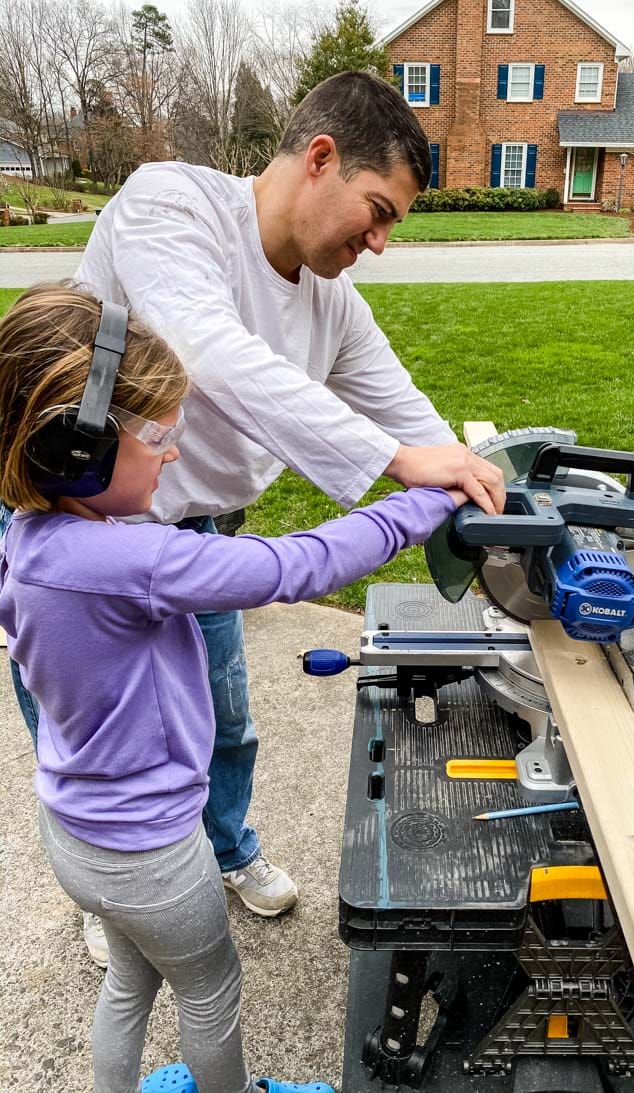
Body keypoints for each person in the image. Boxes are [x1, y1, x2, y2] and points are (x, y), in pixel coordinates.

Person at [43, 69, 504, 961]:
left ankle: (224, 848)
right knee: (91, 733)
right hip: (80, 530)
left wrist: (490, 489)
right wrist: (398, 465)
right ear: (321, 158)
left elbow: (410, 417)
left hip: (192, 529)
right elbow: (206, 349)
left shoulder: (334, 303)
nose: (378, 242)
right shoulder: (170, 205)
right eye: (377, 211)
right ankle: (113, 892)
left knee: (223, 718)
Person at [0, 283, 467, 1093]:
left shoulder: (32, 542)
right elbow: (291, 566)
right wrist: (418, 505)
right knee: (211, 990)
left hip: (75, 834)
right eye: (157, 434)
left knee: (130, 981)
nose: (173, 452)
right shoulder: (133, 562)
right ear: (74, 450)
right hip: (151, 850)